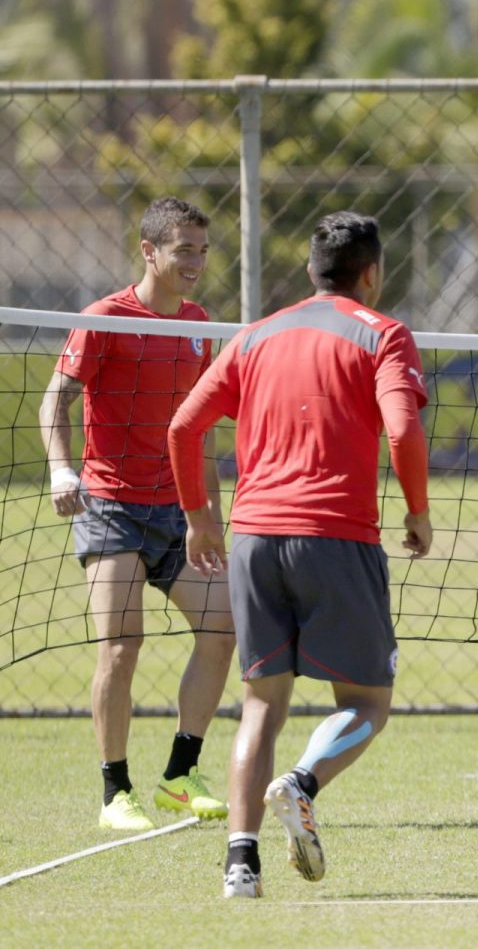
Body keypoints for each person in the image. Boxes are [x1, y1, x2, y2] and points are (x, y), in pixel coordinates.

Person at [168, 212, 431, 898]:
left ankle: (240, 864)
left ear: (312, 270)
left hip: (253, 539)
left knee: (260, 705)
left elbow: (182, 425)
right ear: (370, 273)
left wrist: (200, 519)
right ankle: (303, 782)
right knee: (368, 700)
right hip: (337, 537)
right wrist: (419, 511)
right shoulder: (383, 333)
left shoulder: (255, 334)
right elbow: (402, 428)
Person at [38, 196, 234, 830]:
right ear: (149, 251)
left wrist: (209, 516)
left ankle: (180, 776)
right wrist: (61, 470)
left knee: (223, 629)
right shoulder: (105, 318)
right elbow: (52, 403)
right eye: (183, 249)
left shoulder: (198, 324)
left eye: (202, 250)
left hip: (176, 513)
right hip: (111, 506)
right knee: (123, 646)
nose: (195, 261)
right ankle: (114, 793)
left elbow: (200, 431)